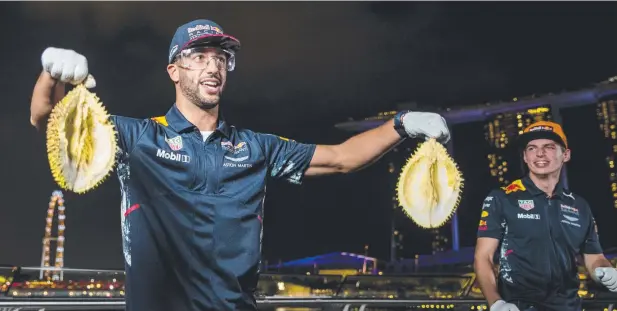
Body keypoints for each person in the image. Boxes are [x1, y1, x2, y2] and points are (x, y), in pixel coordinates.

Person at [29, 19, 451, 311]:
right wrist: (52, 73)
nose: (213, 64)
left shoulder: (256, 147)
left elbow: (342, 159)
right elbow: (47, 121)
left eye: (221, 57)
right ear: (174, 70)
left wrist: (402, 125)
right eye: (199, 55)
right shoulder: (139, 137)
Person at [473, 120, 617, 311]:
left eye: (549, 147)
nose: (540, 154)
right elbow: (483, 257)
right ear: (525, 156)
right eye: (532, 148)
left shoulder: (579, 205)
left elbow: (593, 256)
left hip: (570, 307)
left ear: (565, 155)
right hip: (518, 307)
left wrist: (604, 269)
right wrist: (496, 302)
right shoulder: (502, 198)